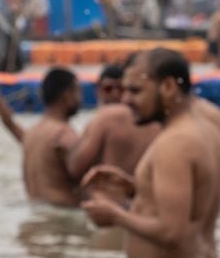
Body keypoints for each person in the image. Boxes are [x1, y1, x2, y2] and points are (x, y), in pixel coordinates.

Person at [79, 49, 220, 258]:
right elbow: (193, 203)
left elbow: (172, 232)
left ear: (169, 87)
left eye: (136, 91)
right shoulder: (206, 128)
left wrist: (115, 214)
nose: (126, 100)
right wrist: (135, 187)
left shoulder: (174, 143)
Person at [0, 57, 81, 206]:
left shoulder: (32, 134)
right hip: (62, 220)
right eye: (78, 92)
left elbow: (8, 121)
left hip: (35, 217)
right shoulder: (63, 134)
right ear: (67, 95)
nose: (80, 98)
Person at [65, 58, 160, 186]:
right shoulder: (153, 121)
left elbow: (75, 169)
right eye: (109, 89)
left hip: (109, 200)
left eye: (119, 89)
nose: (115, 94)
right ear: (98, 90)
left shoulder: (103, 119)